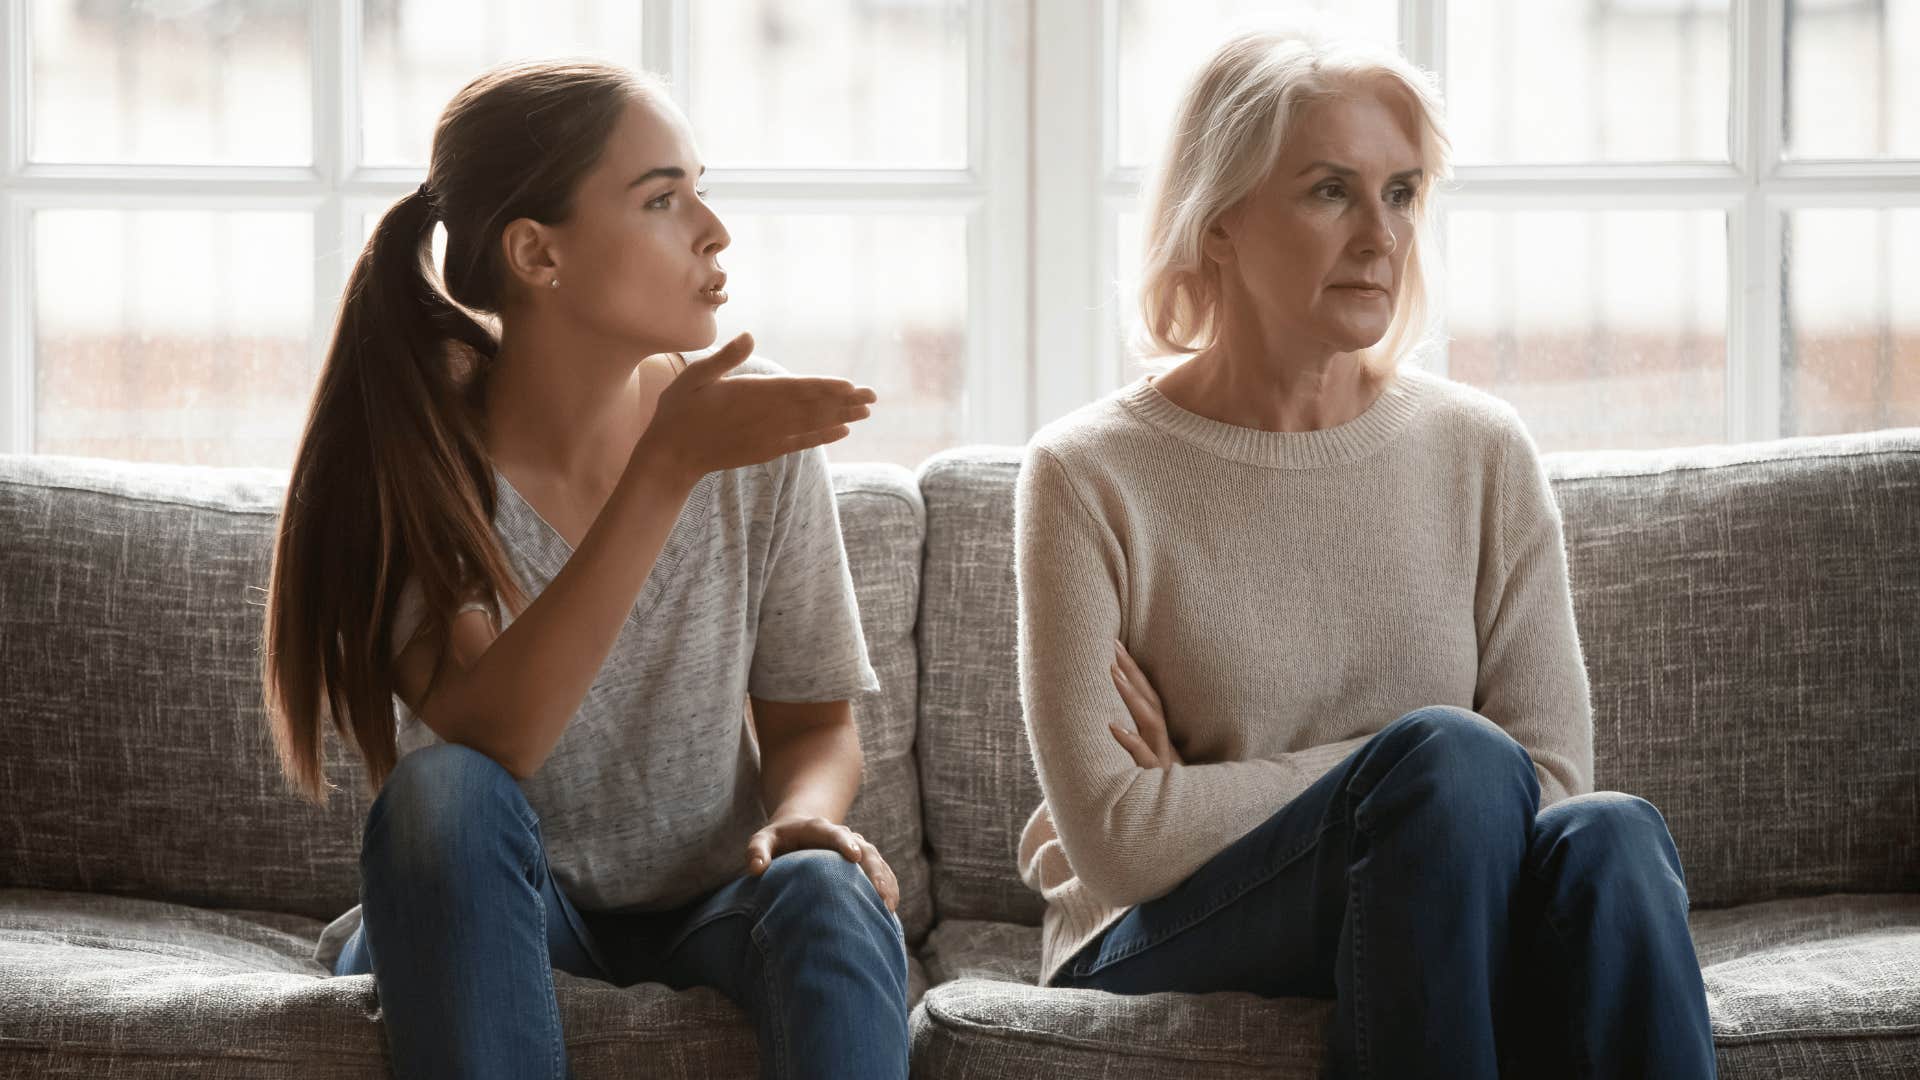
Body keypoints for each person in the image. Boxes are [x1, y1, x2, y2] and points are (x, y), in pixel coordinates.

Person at [1012, 27, 1716, 1079]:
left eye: (1400, 193)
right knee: (1455, 759)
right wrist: (1391, 775)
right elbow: (1118, 838)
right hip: (1159, 933)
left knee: (1612, 839)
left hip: (1440, 903)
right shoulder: (1086, 473)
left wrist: (1241, 787)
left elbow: (1559, 780)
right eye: (1330, 192)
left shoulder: (1479, 450)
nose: (1380, 236)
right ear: (1218, 223)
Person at [260, 58, 908, 1080]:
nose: (714, 229)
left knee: (827, 888)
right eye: (662, 198)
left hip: (710, 910)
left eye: (703, 187)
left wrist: (799, 821)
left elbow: (815, 727)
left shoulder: (752, 429)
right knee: (444, 796)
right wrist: (666, 467)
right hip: (494, 907)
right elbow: (492, 739)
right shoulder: (422, 460)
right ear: (537, 254)